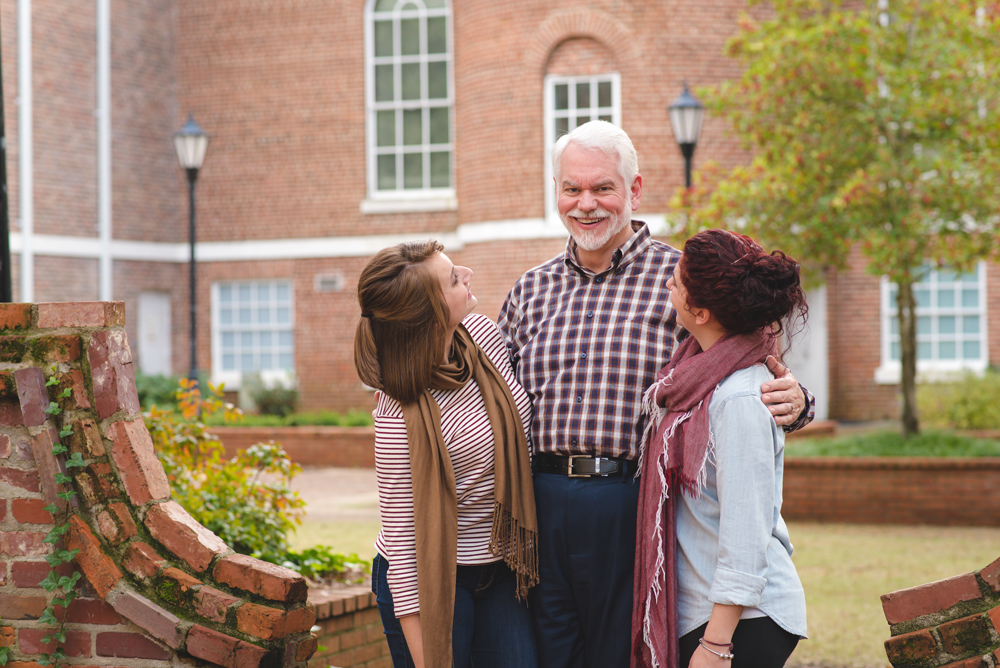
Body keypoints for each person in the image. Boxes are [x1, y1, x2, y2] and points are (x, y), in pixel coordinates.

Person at [497, 120, 814, 668]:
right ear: (556, 192)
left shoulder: (684, 282)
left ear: (634, 190)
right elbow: (494, 391)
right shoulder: (530, 288)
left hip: (631, 500)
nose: (586, 204)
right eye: (571, 189)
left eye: (602, 188)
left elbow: (753, 364)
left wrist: (801, 401)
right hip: (541, 500)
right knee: (549, 652)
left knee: (621, 653)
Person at [354, 240, 539, 668]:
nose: (467, 274)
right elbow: (402, 546)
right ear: (430, 315)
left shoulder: (483, 338)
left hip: (499, 570)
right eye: (454, 278)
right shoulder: (397, 411)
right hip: (431, 582)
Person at [632, 229, 809, 668]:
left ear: (702, 311)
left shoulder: (739, 398)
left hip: (742, 619)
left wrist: (716, 645)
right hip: (710, 606)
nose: (668, 283)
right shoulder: (695, 374)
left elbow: (745, 533)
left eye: (676, 278)